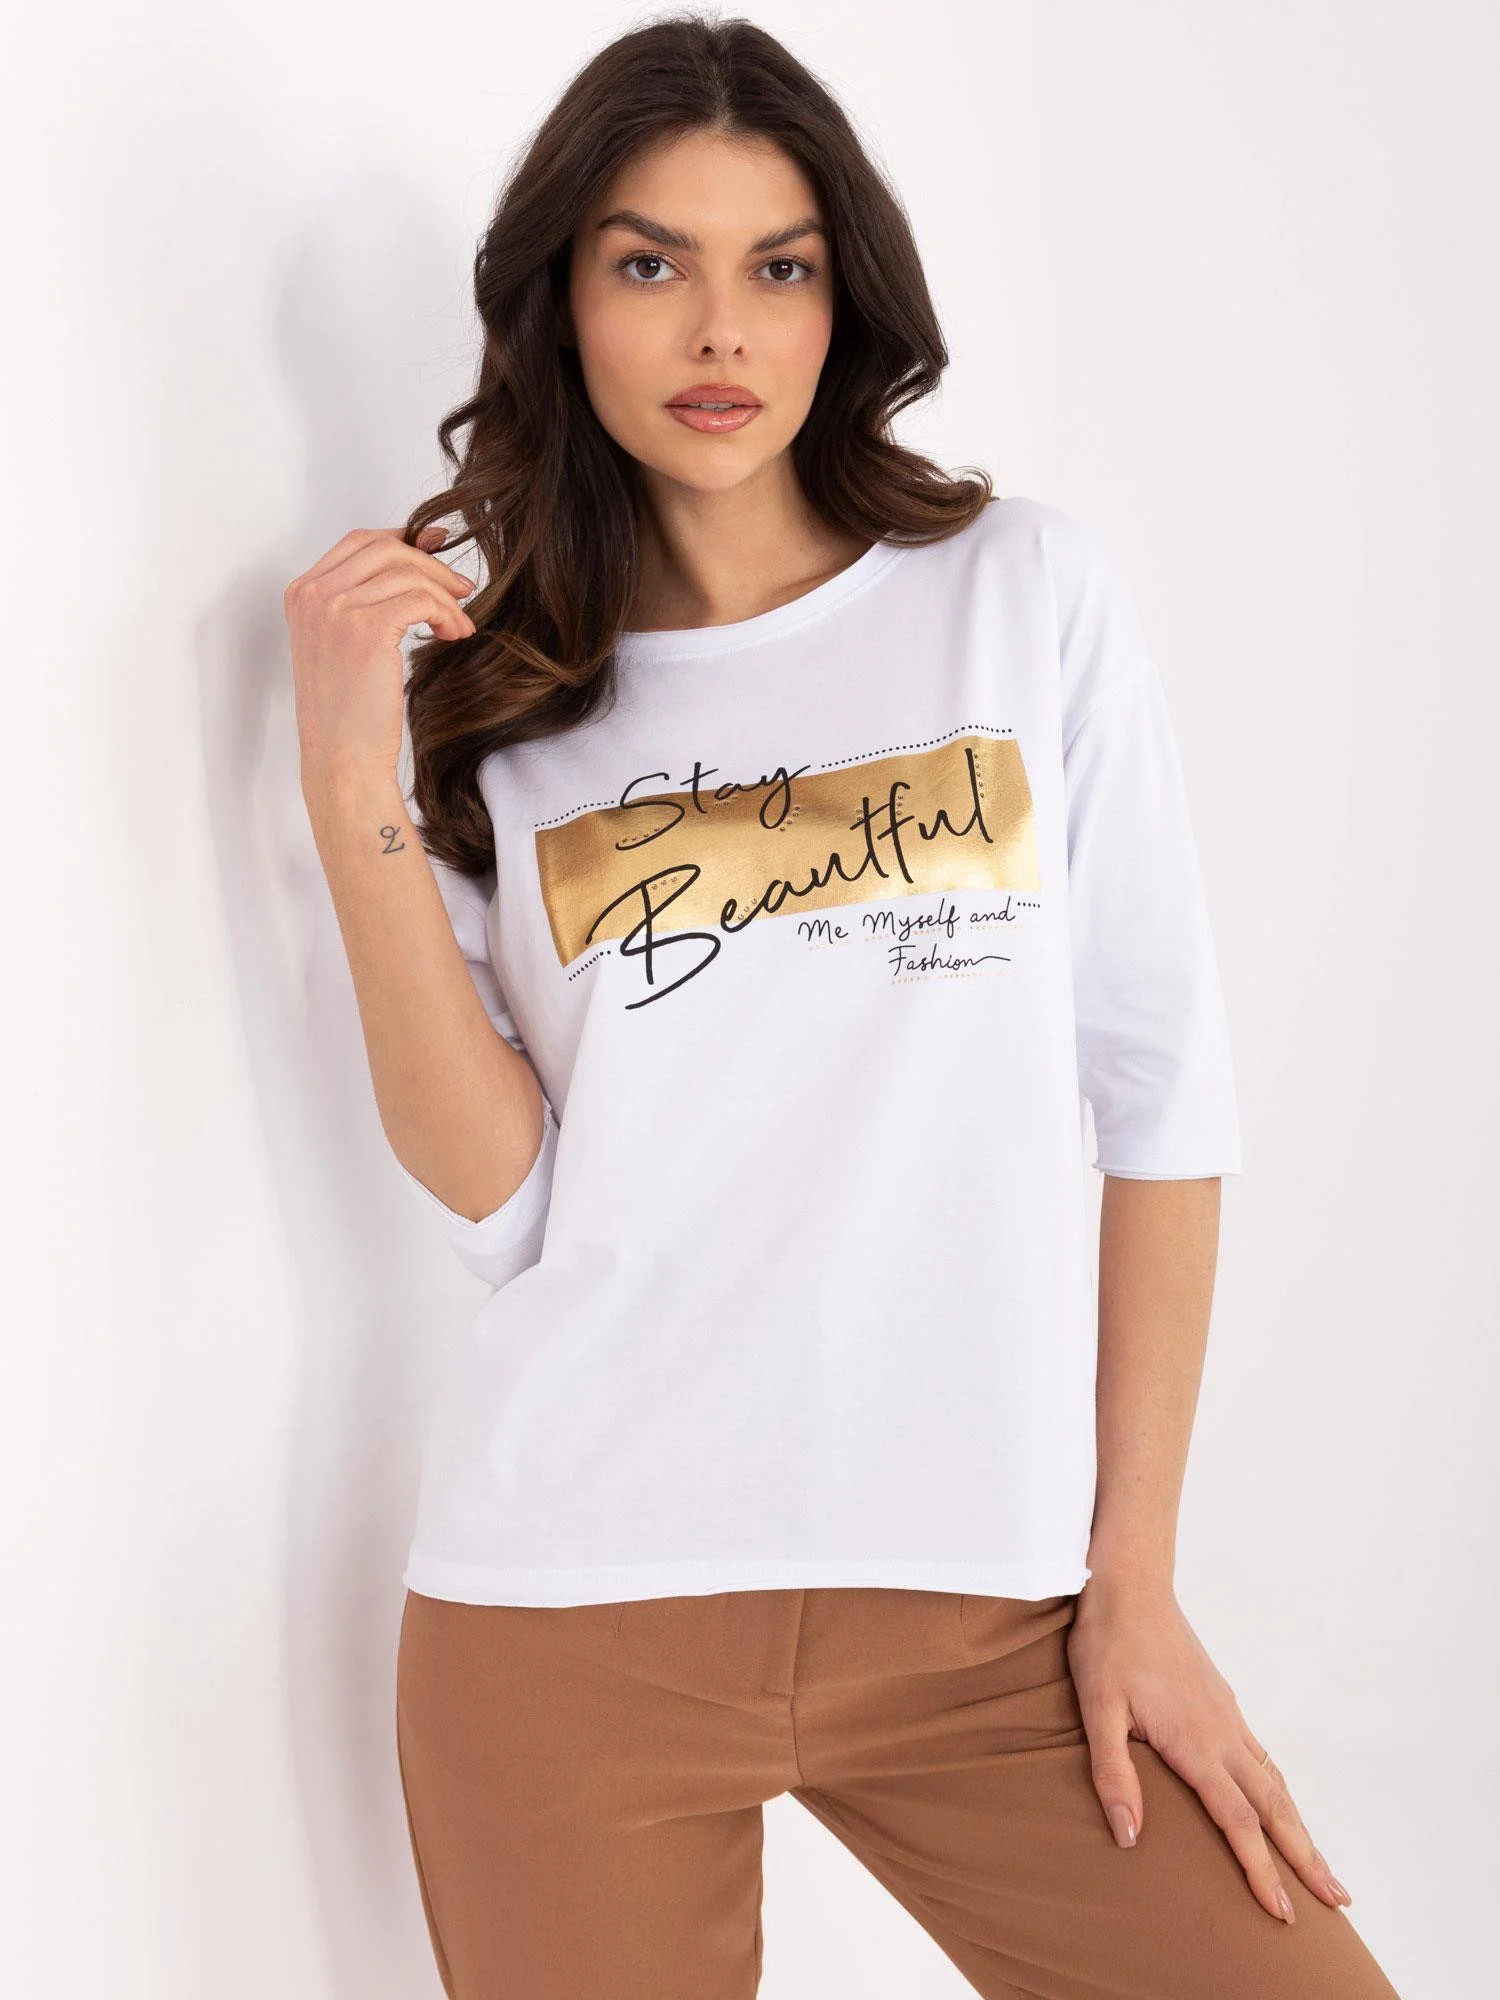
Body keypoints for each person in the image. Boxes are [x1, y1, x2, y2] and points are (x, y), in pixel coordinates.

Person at [285, 15, 1403, 1999]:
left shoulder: (1017, 596)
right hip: (572, 1607)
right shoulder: (501, 700)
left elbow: (1161, 1091)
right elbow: (502, 1199)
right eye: (651, 262)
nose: (721, 327)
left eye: (779, 265)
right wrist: (346, 780)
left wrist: (1134, 1580)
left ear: (842, 299)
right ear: (561, 304)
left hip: (993, 1616)